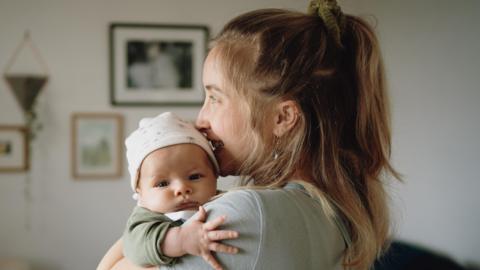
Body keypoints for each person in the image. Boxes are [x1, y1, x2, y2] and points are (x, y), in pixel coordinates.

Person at [98, 0, 400, 269]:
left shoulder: (248, 214)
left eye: (215, 98)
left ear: (282, 118)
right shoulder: (331, 210)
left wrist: (147, 210)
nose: (201, 120)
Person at [108, 112, 239, 270]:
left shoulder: (225, 201)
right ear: (140, 192)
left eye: (194, 176)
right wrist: (181, 239)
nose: (181, 188)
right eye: (162, 183)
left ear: (214, 176)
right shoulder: (146, 218)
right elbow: (134, 248)